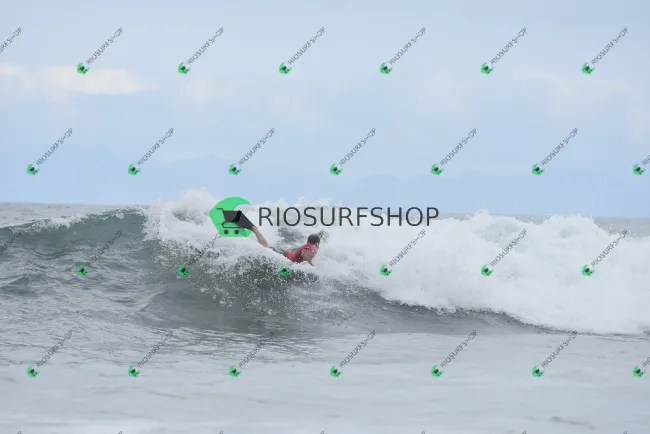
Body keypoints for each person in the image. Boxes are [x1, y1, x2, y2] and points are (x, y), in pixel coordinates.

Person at [233, 212, 320, 265]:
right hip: (284, 256)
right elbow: (305, 257)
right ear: (316, 243)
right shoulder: (311, 248)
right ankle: (251, 227)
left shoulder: (310, 247)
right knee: (264, 248)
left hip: (285, 254)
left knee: (265, 247)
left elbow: (304, 257)